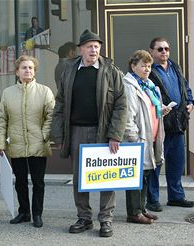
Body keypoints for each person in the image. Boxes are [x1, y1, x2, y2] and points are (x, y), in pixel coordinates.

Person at [51, 29, 127, 237]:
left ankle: (106, 220)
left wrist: (115, 135)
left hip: (103, 132)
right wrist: (58, 134)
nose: (94, 50)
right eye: (90, 46)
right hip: (76, 131)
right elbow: (60, 103)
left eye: (97, 46)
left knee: (106, 177)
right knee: (80, 178)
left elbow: (121, 104)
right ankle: (84, 218)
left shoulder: (111, 71)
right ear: (81, 49)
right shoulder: (68, 70)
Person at [0, 55, 55, 228]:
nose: (27, 70)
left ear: (35, 71)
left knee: (38, 182)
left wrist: (44, 135)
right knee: (20, 181)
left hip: (38, 143)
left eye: (30, 68)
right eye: (24, 68)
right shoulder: (8, 93)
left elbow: (51, 115)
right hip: (16, 143)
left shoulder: (44, 91)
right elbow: (1, 120)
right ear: (17, 72)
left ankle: (37, 213)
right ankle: (24, 212)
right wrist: (0, 143)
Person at [146, 37, 194, 212]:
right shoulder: (149, 71)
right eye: (160, 49)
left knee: (177, 162)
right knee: (156, 163)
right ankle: (152, 199)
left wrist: (190, 102)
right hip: (160, 124)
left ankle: (176, 196)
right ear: (151, 51)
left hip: (179, 122)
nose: (164, 52)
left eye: (166, 48)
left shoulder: (175, 66)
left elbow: (185, 87)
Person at [123, 50, 169, 224]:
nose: (147, 69)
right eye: (143, 66)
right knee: (136, 175)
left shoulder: (148, 85)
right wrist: (133, 138)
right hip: (138, 138)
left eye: (149, 66)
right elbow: (129, 115)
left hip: (152, 136)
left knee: (146, 174)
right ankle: (134, 212)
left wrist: (162, 109)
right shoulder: (130, 85)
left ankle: (141, 208)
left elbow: (150, 108)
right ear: (133, 66)